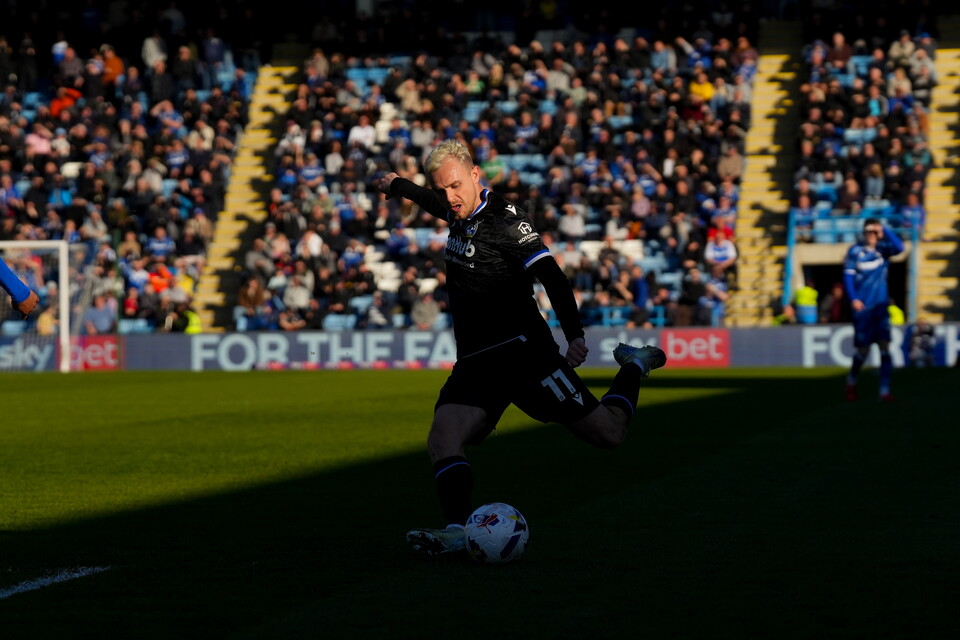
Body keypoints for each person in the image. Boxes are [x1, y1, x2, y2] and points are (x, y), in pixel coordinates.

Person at [376, 139, 666, 557]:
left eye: (456, 186)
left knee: (609, 434)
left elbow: (552, 275)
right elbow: (432, 202)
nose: (450, 198)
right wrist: (398, 185)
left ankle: (634, 365)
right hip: (477, 359)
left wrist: (575, 335)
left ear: (476, 175)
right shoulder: (455, 208)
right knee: (444, 438)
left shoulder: (507, 221)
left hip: (524, 353)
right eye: (443, 190)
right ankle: (457, 531)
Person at [843, 218, 905, 402]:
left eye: (874, 232)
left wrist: (884, 229)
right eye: (869, 231)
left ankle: (884, 391)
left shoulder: (883, 250)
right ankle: (851, 382)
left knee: (884, 347)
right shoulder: (855, 251)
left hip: (880, 308)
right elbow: (847, 276)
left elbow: (900, 247)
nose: (871, 235)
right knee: (862, 350)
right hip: (863, 308)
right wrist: (853, 298)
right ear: (864, 232)